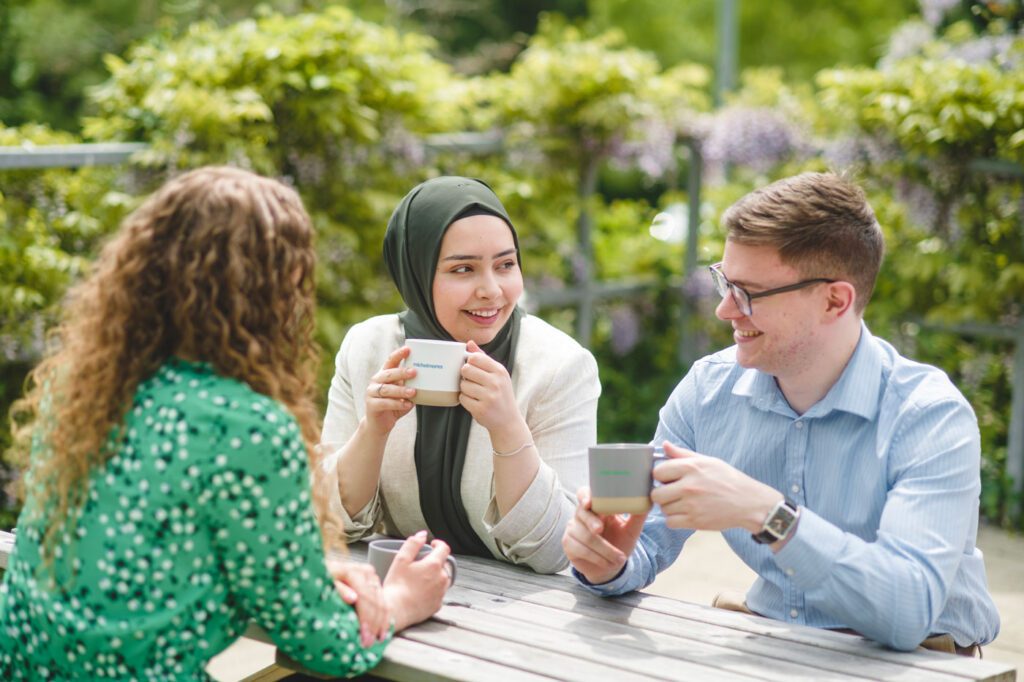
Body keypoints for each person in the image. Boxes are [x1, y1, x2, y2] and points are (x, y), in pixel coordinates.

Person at [0, 166, 450, 679]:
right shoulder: (248, 427)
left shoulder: (84, 386)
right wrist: (400, 600)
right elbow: (324, 644)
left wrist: (305, 567)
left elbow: (152, 549)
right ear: (275, 294)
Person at [562, 172, 1000, 653]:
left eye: (748, 292)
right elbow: (643, 542)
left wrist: (767, 515)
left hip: (923, 664)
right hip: (772, 645)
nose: (725, 310)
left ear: (835, 300)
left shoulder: (928, 416)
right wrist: (607, 562)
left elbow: (906, 612)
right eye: (724, 283)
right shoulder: (709, 390)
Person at [321, 176, 599, 573]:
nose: (491, 290)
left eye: (505, 265)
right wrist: (373, 430)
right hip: (393, 589)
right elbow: (330, 521)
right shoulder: (369, 348)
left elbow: (559, 549)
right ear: (414, 272)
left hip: (527, 612)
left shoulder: (560, 367)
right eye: (463, 269)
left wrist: (508, 429)